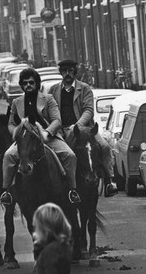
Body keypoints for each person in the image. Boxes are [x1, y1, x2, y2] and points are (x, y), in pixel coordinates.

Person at [0, 67, 81, 206]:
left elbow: (57, 120)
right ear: (22, 86)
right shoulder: (16, 102)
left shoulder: (48, 99)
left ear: (37, 84)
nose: (28, 85)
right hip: (25, 139)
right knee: (8, 155)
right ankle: (7, 192)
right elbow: (11, 123)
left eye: (31, 82)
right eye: (25, 83)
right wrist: (17, 133)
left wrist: (47, 133)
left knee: (70, 155)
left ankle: (72, 190)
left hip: (48, 138)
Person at [49, 59, 117, 197]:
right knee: (57, 153)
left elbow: (89, 110)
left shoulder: (84, 88)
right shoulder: (53, 90)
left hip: (85, 128)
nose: (67, 74)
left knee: (104, 146)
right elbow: (51, 110)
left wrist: (78, 125)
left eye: (70, 71)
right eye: (64, 71)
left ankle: (109, 181)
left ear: (75, 72)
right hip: (62, 130)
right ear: (61, 73)